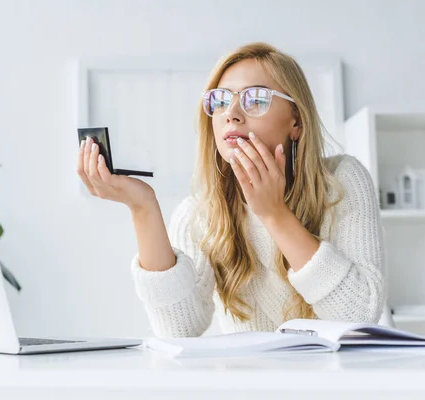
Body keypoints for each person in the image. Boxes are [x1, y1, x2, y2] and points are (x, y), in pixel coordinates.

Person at [76, 42, 386, 338]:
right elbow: (179, 328)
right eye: (221, 100)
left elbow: (358, 316)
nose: (232, 113)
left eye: (256, 99)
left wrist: (274, 214)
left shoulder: (342, 180)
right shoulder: (200, 213)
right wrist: (143, 208)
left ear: (297, 123)